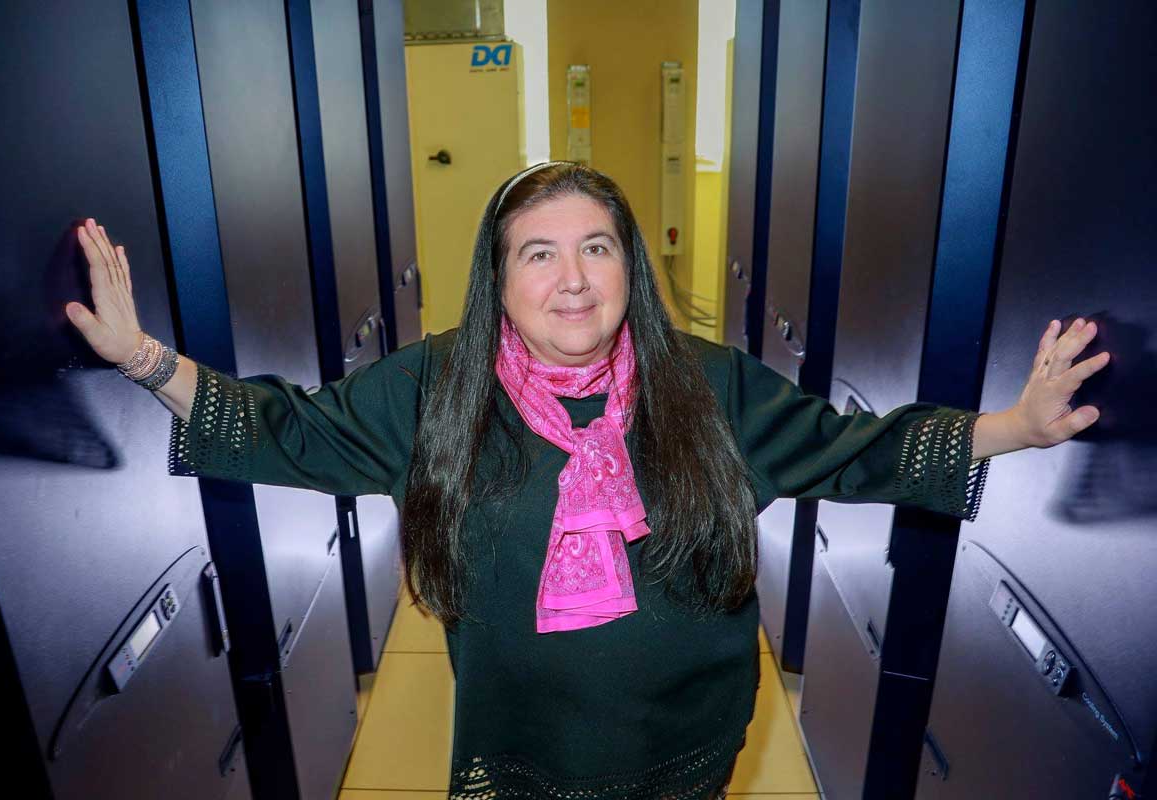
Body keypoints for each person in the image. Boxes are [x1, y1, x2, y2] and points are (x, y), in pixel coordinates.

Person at [66, 162, 1110, 799]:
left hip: (687, 741)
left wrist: (1015, 426)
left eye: (597, 247)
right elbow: (287, 428)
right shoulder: (437, 382)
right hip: (518, 744)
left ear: (629, 267)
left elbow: (858, 451)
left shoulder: (706, 382)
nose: (572, 278)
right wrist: (148, 360)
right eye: (538, 253)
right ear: (499, 279)